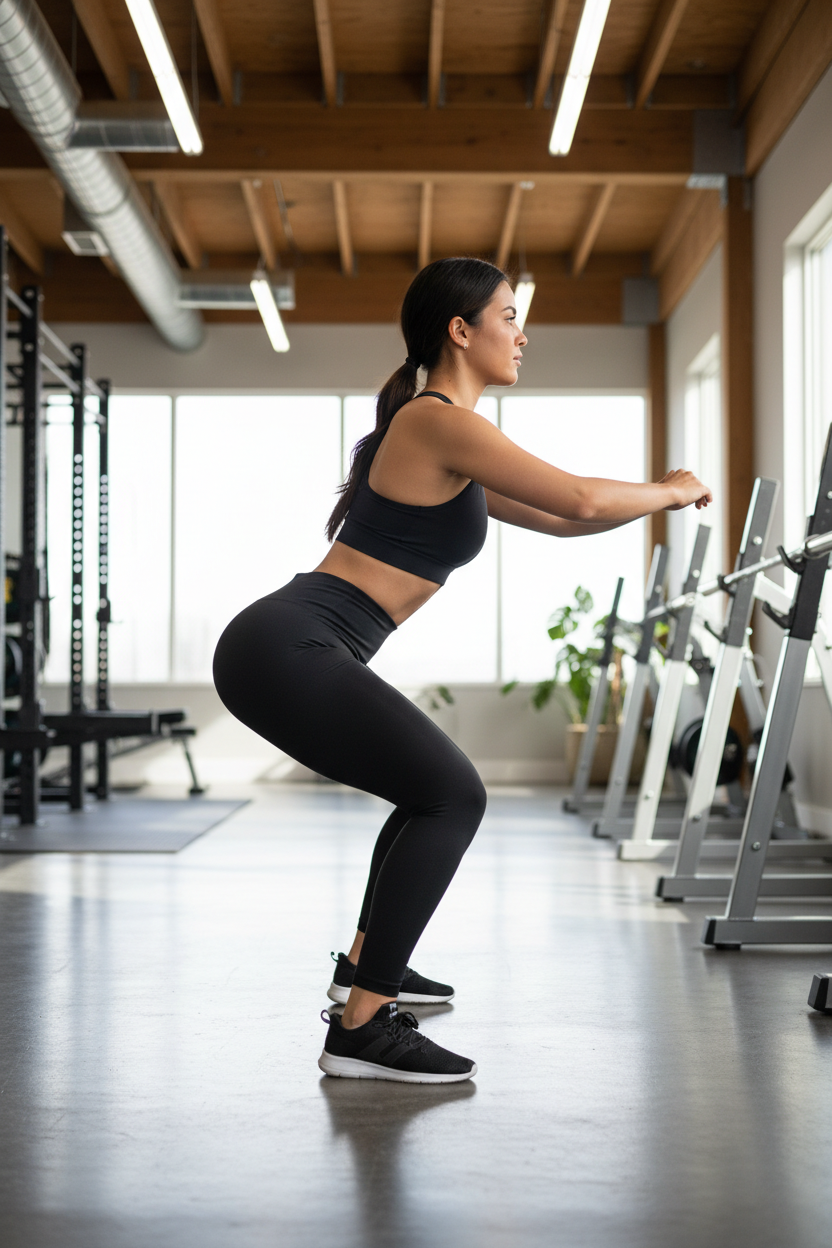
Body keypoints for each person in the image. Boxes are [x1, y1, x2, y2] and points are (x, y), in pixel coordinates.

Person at [212, 257, 711, 1085]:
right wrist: (669, 489)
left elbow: (562, 517)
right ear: (460, 329)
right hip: (290, 645)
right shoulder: (436, 419)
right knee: (456, 793)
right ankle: (362, 1031)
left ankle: (367, 969)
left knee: (427, 792)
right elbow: (582, 497)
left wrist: (652, 497)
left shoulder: (444, 434)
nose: (523, 333)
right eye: (509, 316)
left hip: (297, 643)